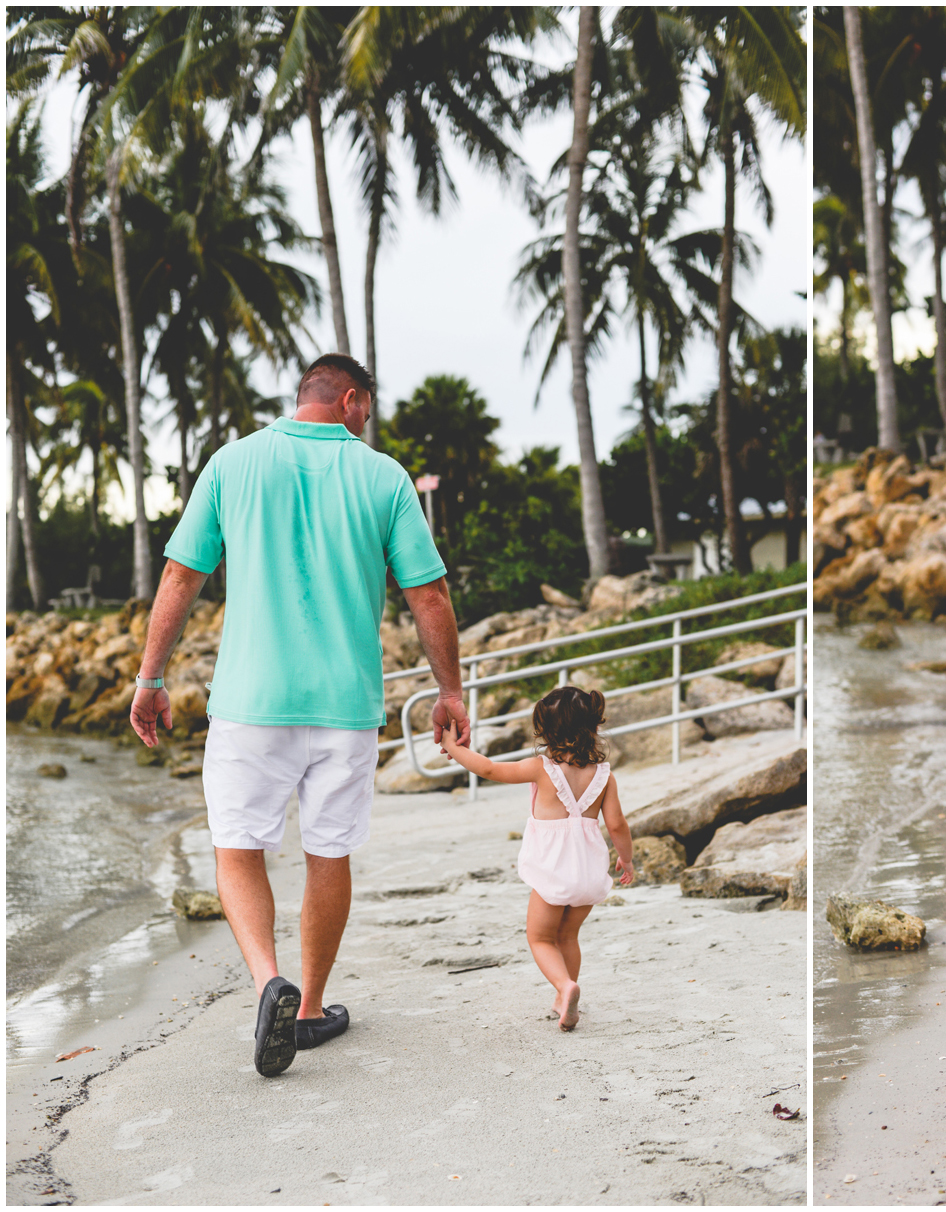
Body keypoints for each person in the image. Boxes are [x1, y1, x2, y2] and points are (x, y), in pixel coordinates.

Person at [130, 353, 469, 1078]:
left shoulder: (233, 462)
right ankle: (309, 1008)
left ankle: (267, 983)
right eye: (367, 410)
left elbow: (180, 574)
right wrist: (450, 691)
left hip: (251, 705)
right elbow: (429, 594)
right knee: (328, 851)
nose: (366, 423)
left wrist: (151, 676)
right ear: (351, 399)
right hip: (346, 709)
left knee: (238, 847)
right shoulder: (383, 476)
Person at [438, 685, 635, 1031]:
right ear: (593, 726)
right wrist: (627, 860)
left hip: (552, 869)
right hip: (589, 871)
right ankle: (564, 999)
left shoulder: (540, 768)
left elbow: (488, 769)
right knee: (568, 936)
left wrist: (453, 747)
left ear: (545, 731)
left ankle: (565, 987)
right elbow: (617, 824)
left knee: (540, 938)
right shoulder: (604, 776)